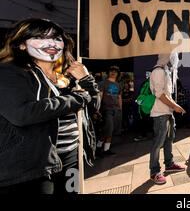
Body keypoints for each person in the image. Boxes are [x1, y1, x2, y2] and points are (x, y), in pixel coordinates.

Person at [0, 18, 99, 194]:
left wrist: (86, 79)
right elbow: (23, 113)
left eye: (56, 38)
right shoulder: (10, 72)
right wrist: (77, 98)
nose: (51, 42)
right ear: (22, 45)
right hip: (34, 166)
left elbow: (93, 106)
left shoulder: (68, 76)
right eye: (42, 37)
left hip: (71, 155)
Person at [148, 53, 186, 185]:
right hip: (160, 114)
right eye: (172, 56)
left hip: (167, 113)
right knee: (158, 143)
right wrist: (175, 106)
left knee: (169, 139)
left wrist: (173, 108)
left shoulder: (164, 70)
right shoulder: (158, 71)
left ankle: (169, 164)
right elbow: (159, 94)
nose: (174, 60)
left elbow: (165, 94)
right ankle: (154, 171)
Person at [97, 66, 122, 156]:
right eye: (111, 71)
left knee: (109, 130)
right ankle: (102, 148)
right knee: (109, 129)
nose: (113, 72)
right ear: (108, 72)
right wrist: (97, 109)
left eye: (115, 71)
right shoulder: (103, 83)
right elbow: (100, 96)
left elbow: (119, 97)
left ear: (117, 74)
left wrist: (120, 110)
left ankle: (102, 147)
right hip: (106, 109)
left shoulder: (118, 85)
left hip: (116, 110)